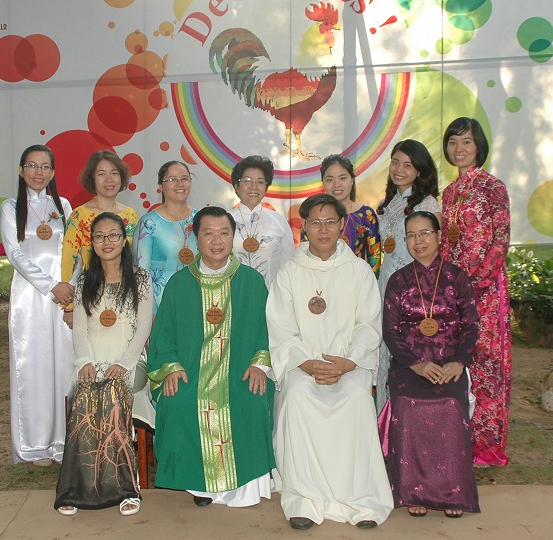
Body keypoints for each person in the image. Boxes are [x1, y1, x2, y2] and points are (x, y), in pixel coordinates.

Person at [267, 194, 393, 531]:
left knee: (357, 399)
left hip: (348, 366)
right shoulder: (289, 272)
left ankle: (361, 499)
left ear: (342, 225)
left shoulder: (359, 271)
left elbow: (368, 325)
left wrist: (348, 363)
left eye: (330, 222)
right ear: (304, 227)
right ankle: (304, 500)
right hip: (303, 367)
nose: (323, 230)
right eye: (316, 223)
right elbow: (281, 328)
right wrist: (306, 364)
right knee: (297, 397)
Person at [148, 206, 275, 508]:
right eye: (208, 233)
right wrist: (170, 368)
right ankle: (199, 485)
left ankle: (245, 485)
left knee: (250, 400)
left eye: (224, 233)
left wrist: (259, 364)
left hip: (239, 372)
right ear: (196, 238)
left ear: (233, 237)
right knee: (179, 401)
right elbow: (163, 335)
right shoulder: (179, 284)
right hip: (191, 372)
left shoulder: (251, 281)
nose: (217, 241)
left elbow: (267, 329)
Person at [381, 211, 480, 518]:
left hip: (449, 364)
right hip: (409, 366)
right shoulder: (398, 281)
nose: (418, 241)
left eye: (425, 233)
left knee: (450, 406)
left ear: (438, 236)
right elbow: (390, 331)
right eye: (411, 235)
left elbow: (471, 326)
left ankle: (452, 493)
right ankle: (413, 491)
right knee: (407, 405)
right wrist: (415, 365)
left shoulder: (457, 278)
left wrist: (459, 362)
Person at [54, 213, 153, 517]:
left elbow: (144, 326)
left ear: (124, 241)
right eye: (99, 236)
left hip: (130, 361)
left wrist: (124, 363)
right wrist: (85, 361)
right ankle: (77, 488)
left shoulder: (140, 278)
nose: (106, 242)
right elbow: (81, 329)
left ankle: (125, 488)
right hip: (92, 359)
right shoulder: (85, 281)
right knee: (86, 391)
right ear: (92, 243)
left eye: (113, 235)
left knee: (112, 390)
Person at [440, 117, 512, 467]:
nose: (459, 149)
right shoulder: (448, 193)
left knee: (486, 365)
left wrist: (476, 284)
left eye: (466, 142)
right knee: (458, 363)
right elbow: (445, 244)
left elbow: (500, 242)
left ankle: (486, 447)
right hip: (454, 293)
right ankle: (457, 438)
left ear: (479, 145)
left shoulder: (492, 187)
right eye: (453, 142)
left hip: (486, 293)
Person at [0, 144, 74, 465]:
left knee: (64, 365)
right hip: (30, 297)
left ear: (53, 172)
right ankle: (34, 445)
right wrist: (50, 285)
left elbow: (75, 250)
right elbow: (14, 253)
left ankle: (64, 442)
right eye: (32, 165)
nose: (38, 172)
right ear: (21, 170)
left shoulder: (63, 206)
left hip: (64, 297)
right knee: (33, 366)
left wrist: (70, 286)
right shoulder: (10, 207)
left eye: (45, 166)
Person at [376, 139, 442, 413]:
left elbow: (433, 254)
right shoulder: (386, 204)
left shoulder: (428, 204)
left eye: (407, 165)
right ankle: (385, 423)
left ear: (419, 170)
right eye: (395, 162)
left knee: (411, 351)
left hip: (415, 291)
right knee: (385, 352)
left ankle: (412, 421)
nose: (399, 170)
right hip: (385, 287)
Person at [60, 150, 139, 328]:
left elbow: (135, 258)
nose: (109, 179)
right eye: (101, 174)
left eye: (114, 173)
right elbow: (68, 261)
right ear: (92, 179)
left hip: (126, 296)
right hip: (92, 295)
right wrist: (69, 306)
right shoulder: (79, 216)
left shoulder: (131, 215)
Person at [133, 160, 198, 313]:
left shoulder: (201, 219)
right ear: (160, 186)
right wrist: (151, 312)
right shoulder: (148, 223)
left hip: (198, 302)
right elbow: (141, 274)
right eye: (172, 179)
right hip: (161, 306)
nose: (180, 184)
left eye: (184, 178)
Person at [301, 154, 382, 275]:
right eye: (330, 180)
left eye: (342, 178)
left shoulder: (366, 215)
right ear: (323, 182)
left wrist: (368, 282)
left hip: (358, 281)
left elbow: (375, 259)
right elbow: (305, 255)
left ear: (352, 180)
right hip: (319, 280)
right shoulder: (312, 215)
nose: (336, 184)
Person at [228, 155, 295, 286]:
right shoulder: (224, 221)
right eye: (247, 180)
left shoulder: (279, 222)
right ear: (236, 186)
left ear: (266, 187)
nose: (254, 187)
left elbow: (288, 267)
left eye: (260, 182)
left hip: (270, 296)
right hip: (232, 295)